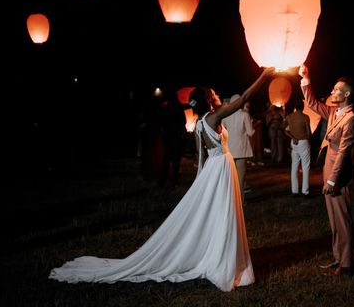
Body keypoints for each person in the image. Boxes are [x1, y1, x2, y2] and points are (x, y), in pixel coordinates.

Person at [49, 67, 275, 292]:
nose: (217, 96)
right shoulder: (215, 116)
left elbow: (202, 158)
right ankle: (222, 261)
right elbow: (244, 97)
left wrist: (199, 186)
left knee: (218, 215)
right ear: (208, 100)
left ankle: (219, 255)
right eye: (214, 94)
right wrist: (264, 76)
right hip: (222, 169)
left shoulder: (198, 125)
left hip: (213, 172)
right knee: (225, 214)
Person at [299, 64, 354, 276]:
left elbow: (343, 153)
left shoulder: (350, 119)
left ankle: (347, 263)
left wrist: (332, 180)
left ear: (347, 93)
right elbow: (312, 103)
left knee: (342, 219)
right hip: (328, 171)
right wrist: (306, 78)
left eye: (335, 89)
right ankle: (337, 256)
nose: (332, 92)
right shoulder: (334, 111)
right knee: (334, 218)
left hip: (338, 176)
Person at [221, 93, 255, 202]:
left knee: (231, 178)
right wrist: (254, 126)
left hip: (229, 150)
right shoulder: (245, 115)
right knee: (241, 178)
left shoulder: (226, 115)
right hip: (242, 150)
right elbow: (250, 132)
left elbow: (222, 132)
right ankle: (240, 202)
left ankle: (230, 200)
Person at [284, 98, 312, 197]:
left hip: (294, 142)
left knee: (294, 167)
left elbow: (285, 131)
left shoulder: (290, 117)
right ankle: (305, 191)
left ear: (295, 107)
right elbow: (309, 132)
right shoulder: (305, 117)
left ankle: (294, 191)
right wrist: (309, 140)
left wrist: (293, 137)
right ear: (303, 107)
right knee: (305, 167)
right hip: (303, 142)